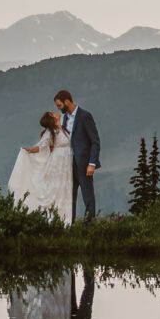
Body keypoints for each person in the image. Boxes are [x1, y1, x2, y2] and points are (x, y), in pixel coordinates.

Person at [7, 111, 74, 224]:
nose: (55, 112)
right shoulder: (50, 132)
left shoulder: (62, 128)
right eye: (52, 113)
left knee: (65, 190)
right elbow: (41, 145)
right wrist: (30, 150)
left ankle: (64, 217)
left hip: (66, 164)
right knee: (57, 190)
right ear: (52, 118)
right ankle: (55, 218)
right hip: (58, 164)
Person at [55, 89, 100, 222]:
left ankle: (89, 227)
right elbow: (66, 138)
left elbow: (95, 142)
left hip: (84, 165)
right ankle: (70, 224)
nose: (58, 108)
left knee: (88, 198)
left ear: (67, 101)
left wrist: (92, 163)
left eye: (59, 105)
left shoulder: (85, 116)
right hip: (69, 166)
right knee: (70, 198)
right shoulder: (65, 118)